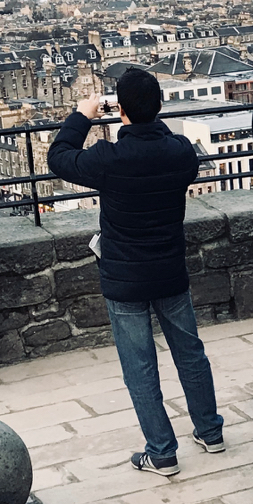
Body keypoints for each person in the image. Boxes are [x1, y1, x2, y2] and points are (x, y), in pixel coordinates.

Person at [47, 66, 225, 477]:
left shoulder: (109, 159)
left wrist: (84, 114)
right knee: (190, 352)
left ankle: (162, 451)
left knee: (140, 366)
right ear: (160, 106)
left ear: (120, 109)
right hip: (168, 269)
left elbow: (59, 158)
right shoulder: (180, 152)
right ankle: (210, 432)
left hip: (125, 276)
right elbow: (166, 145)